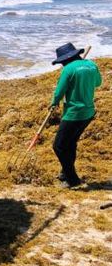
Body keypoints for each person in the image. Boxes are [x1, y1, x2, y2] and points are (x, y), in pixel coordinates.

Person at [50, 42, 102, 189]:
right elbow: (98, 83)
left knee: (59, 146)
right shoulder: (91, 65)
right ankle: (64, 174)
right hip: (88, 113)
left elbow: (59, 91)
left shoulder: (68, 70)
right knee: (70, 143)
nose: (61, 65)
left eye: (62, 62)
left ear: (65, 60)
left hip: (74, 113)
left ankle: (73, 181)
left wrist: (53, 104)